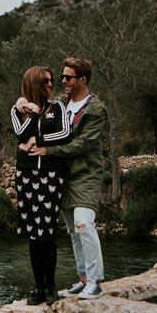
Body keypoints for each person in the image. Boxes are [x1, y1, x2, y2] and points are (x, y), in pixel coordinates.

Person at [28, 57, 109, 300]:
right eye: (62, 77)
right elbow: (39, 113)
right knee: (73, 230)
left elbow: (84, 144)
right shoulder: (61, 105)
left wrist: (48, 150)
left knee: (84, 224)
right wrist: (24, 102)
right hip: (64, 175)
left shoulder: (95, 109)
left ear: (82, 80)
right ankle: (83, 278)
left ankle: (95, 281)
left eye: (68, 77)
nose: (63, 81)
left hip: (86, 173)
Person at [10, 66, 74, 305]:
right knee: (32, 234)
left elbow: (66, 134)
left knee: (46, 231)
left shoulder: (58, 108)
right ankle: (37, 288)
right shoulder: (18, 110)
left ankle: (51, 286)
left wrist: (38, 139)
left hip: (51, 173)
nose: (51, 84)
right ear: (34, 82)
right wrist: (34, 114)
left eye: (52, 81)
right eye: (45, 81)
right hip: (26, 173)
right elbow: (19, 134)